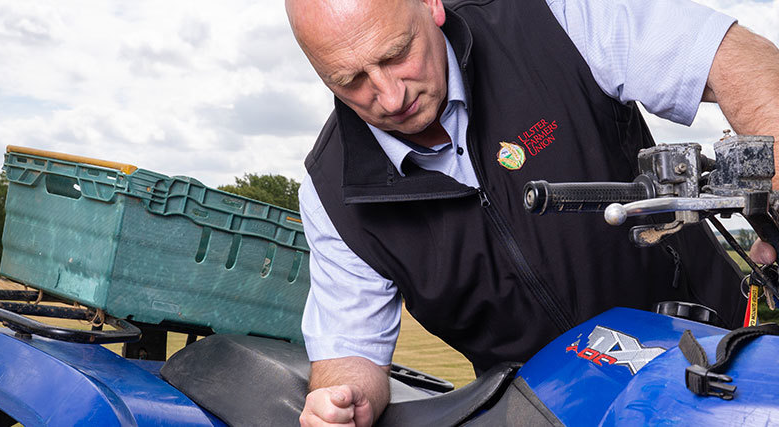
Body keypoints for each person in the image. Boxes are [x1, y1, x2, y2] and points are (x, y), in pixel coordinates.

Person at [285, 0, 779, 425]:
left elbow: (726, 55)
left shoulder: (550, 18)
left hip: (724, 363)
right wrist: (339, 404)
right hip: (548, 414)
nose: (390, 98)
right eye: (349, 81)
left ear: (430, 4)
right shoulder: (331, 193)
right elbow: (347, 355)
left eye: (396, 55)